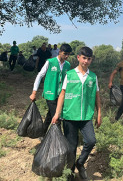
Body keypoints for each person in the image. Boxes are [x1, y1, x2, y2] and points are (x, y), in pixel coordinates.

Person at [51, 47, 102, 180]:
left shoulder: (93, 77)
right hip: (69, 116)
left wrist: (99, 113)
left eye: (89, 59)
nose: (86, 61)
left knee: (91, 141)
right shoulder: (70, 74)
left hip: (86, 116)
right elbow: (62, 94)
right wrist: (57, 113)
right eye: (84, 58)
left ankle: (80, 163)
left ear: (91, 60)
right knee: (71, 147)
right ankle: (70, 173)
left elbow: (97, 96)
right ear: (78, 57)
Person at [29, 44, 73, 133]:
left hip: (60, 94)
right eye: (65, 54)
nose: (67, 56)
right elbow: (40, 76)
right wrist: (34, 92)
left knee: (50, 115)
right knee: (57, 118)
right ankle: (58, 141)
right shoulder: (50, 62)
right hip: (50, 93)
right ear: (60, 52)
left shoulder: (67, 65)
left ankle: (42, 133)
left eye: (68, 54)